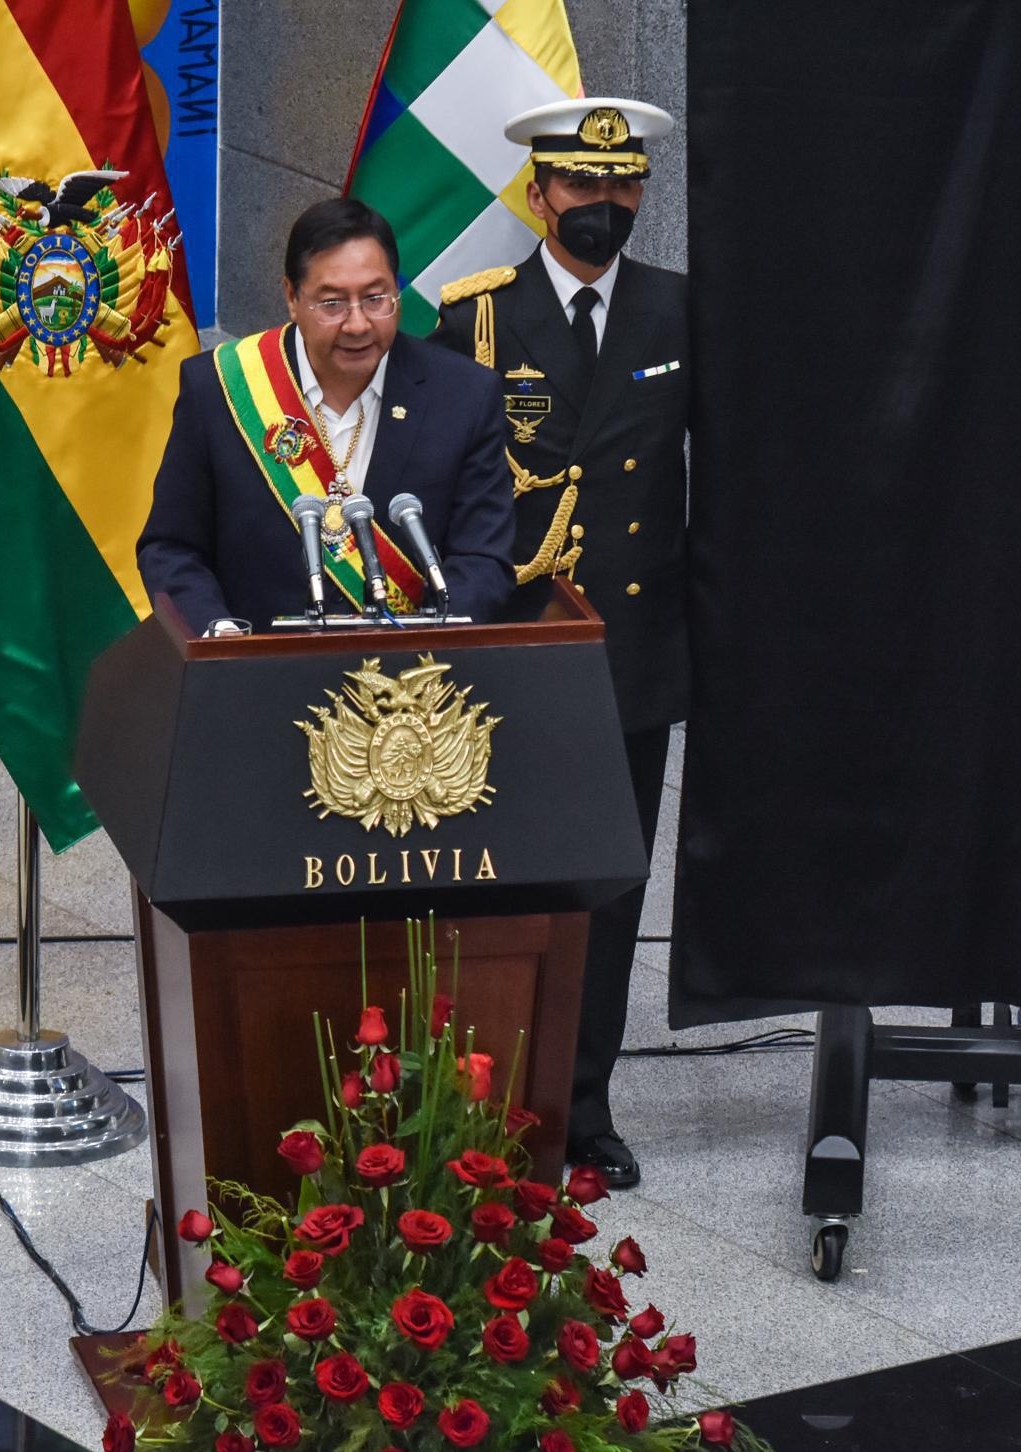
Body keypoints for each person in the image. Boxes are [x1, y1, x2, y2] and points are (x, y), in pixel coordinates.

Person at [428, 98, 689, 1188]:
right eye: (579, 186)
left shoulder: (682, 314)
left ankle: (583, 1109)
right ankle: (485, 1101)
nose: (601, 205)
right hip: (516, 649)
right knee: (504, 882)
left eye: (621, 184)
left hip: (631, 651)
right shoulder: (472, 322)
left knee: (611, 887)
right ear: (534, 195)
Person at [138, 198, 516, 634]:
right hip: (254, 675)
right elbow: (171, 547)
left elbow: (482, 559)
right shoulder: (220, 388)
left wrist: (425, 652)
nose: (357, 324)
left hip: (408, 686)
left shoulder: (464, 395)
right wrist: (219, 637)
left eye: (376, 299)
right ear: (292, 298)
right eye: (332, 303)